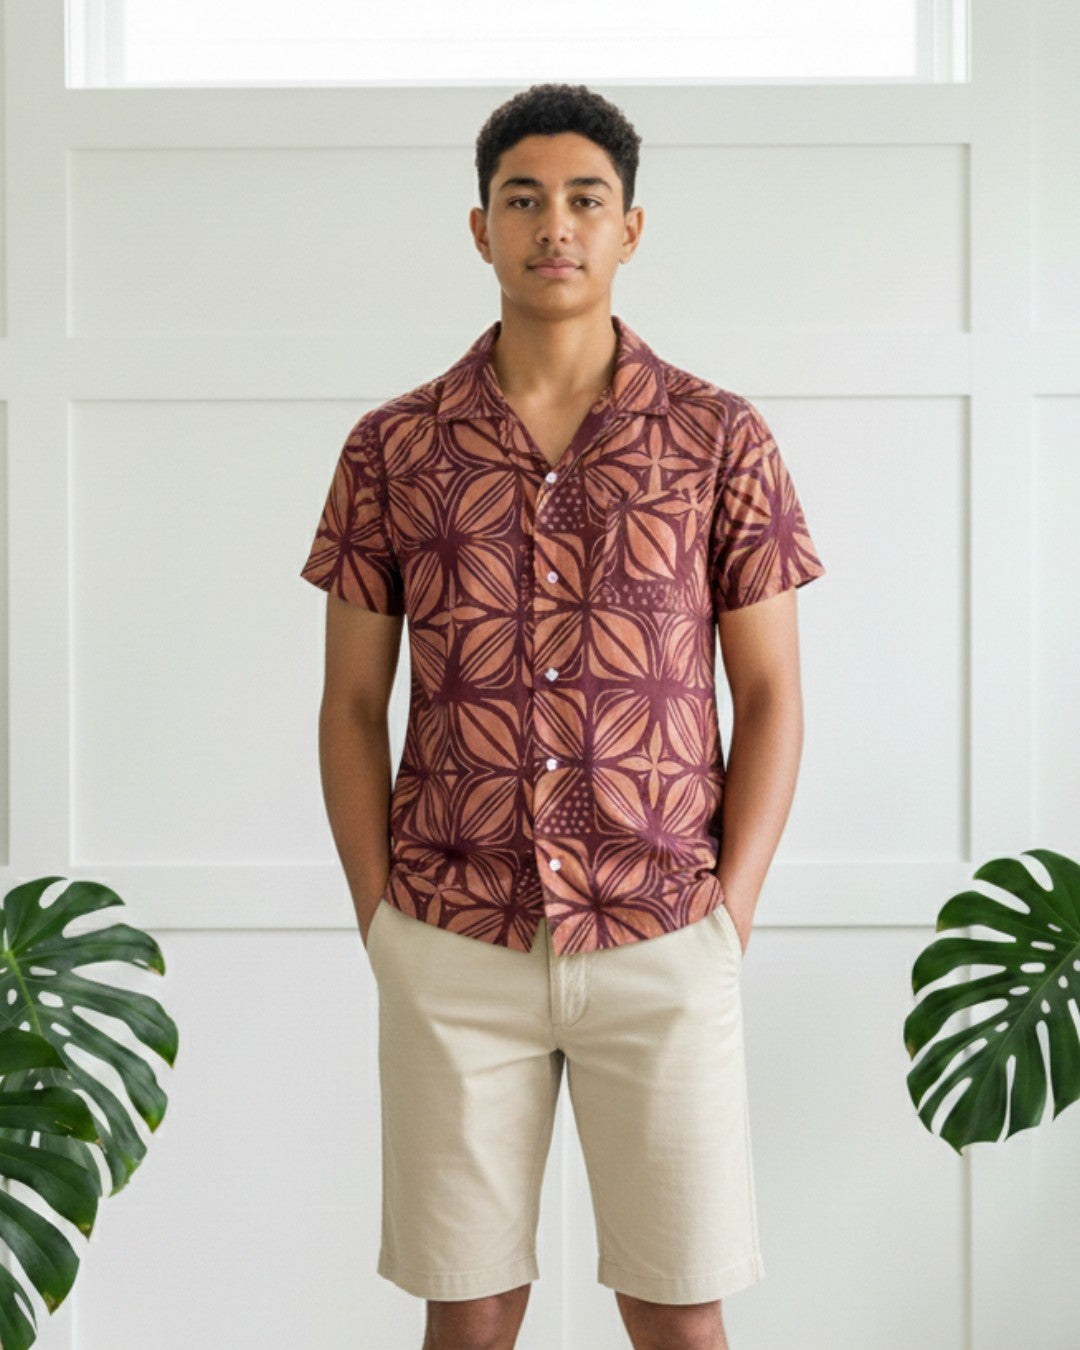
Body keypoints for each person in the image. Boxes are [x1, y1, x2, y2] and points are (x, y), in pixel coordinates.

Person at [300, 81, 826, 1350]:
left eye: (586, 200)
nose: (555, 226)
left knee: (677, 1310)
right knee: (470, 1313)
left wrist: (727, 918)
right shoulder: (393, 449)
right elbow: (353, 699)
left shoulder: (717, 439)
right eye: (522, 199)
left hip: (662, 934)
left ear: (630, 229)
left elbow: (768, 697)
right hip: (452, 936)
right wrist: (383, 919)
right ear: (478, 228)